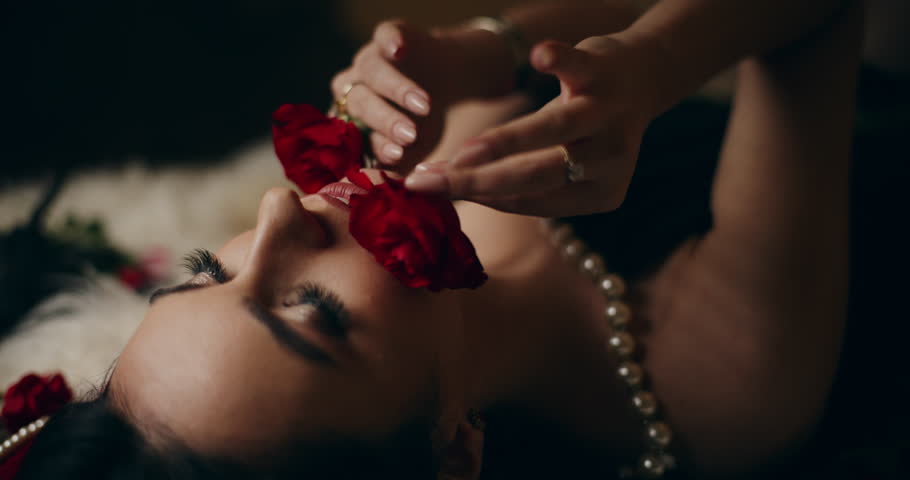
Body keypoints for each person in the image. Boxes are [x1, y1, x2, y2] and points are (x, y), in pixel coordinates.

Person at [5, 0, 876, 478]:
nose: (276, 218)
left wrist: (487, 50)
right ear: (454, 454)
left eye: (207, 270)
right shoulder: (720, 379)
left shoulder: (412, 178)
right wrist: (658, 64)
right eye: (314, 312)